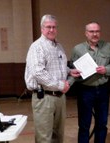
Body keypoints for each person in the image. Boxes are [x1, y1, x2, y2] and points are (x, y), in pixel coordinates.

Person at [24, 14, 79, 143]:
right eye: (48, 27)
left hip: (60, 97)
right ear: (42, 28)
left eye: (54, 27)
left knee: (58, 136)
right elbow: (39, 73)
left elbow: (59, 67)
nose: (51, 30)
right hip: (44, 97)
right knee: (44, 138)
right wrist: (61, 85)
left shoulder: (59, 47)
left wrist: (70, 71)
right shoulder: (37, 47)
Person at [69, 22, 110, 143]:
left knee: (102, 123)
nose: (95, 34)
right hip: (85, 90)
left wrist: (106, 69)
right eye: (91, 31)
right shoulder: (77, 49)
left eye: (97, 31)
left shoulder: (108, 46)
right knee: (84, 124)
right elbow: (72, 69)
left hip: (102, 89)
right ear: (86, 33)